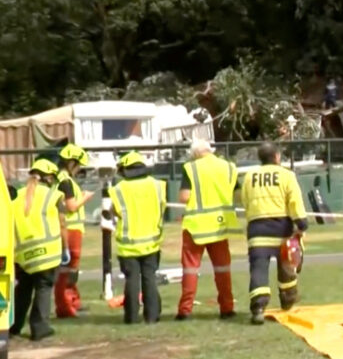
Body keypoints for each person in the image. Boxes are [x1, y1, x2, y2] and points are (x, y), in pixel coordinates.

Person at [241, 142, 309, 325]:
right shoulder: (287, 175)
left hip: (257, 228)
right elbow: (294, 201)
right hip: (282, 229)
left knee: (258, 268)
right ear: (277, 156)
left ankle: (258, 308)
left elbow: (245, 202)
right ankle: (288, 300)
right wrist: (301, 223)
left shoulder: (249, 177)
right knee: (286, 266)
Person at [176, 139, 241, 320]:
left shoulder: (191, 168)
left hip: (196, 226)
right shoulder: (229, 167)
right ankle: (227, 308)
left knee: (190, 269)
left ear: (195, 153)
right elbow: (238, 195)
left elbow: (184, 197)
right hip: (220, 225)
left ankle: (185, 310)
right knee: (222, 269)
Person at [108, 152, 166, 324]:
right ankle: (152, 316)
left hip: (128, 245)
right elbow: (162, 207)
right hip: (152, 242)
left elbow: (114, 212)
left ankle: (132, 317)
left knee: (132, 279)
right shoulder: (157, 185)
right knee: (149, 277)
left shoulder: (118, 190)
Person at [10, 159, 64, 341]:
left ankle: (14, 325)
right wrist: (65, 248)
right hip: (48, 253)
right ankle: (39, 327)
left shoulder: (16, 197)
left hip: (23, 256)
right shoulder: (52, 196)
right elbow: (62, 223)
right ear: (49, 177)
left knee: (23, 291)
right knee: (44, 288)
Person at [55, 144, 94, 318]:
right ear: (71, 162)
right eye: (78, 165)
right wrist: (85, 198)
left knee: (71, 270)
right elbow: (71, 206)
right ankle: (65, 306)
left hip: (71, 229)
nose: (79, 170)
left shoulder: (62, 178)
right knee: (68, 271)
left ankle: (73, 302)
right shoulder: (65, 181)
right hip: (70, 230)